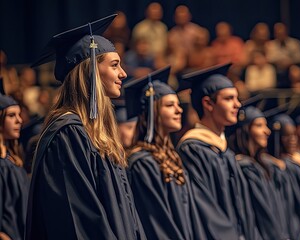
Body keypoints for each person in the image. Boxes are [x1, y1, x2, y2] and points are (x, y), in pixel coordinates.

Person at [27, 14, 146, 239]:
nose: (124, 73)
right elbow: (80, 218)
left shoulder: (96, 133)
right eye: (114, 65)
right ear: (90, 70)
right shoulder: (67, 133)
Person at [176, 63, 261, 239]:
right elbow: (204, 208)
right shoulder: (192, 149)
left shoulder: (224, 151)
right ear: (208, 103)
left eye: (237, 98)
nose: (237, 105)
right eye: (229, 99)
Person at [124, 67, 205, 239]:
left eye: (177, 104)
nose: (179, 110)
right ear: (152, 112)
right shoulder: (142, 162)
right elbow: (156, 221)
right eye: (170, 105)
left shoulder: (172, 156)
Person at [229, 106, 283, 239]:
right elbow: (262, 213)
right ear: (246, 130)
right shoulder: (245, 168)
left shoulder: (260, 165)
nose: (267, 131)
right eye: (259, 126)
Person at [0, 92, 27, 240]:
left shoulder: (13, 161)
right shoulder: (2, 166)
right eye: (11, 116)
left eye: (19, 115)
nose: (19, 120)